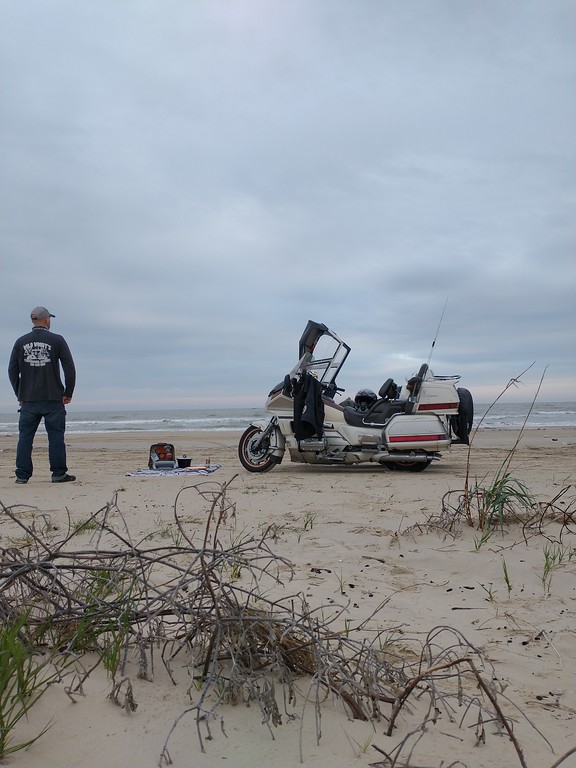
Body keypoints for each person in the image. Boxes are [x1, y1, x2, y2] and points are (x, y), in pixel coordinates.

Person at [8, 306, 77, 484]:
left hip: (29, 400)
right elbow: (69, 367)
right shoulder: (57, 340)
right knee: (55, 436)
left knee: (25, 437)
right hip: (53, 398)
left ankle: (22, 475)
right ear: (46, 320)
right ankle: (58, 473)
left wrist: (19, 393)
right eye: (50, 319)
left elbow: (12, 370)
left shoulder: (20, 341)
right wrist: (68, 392)